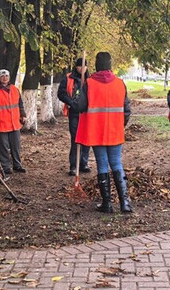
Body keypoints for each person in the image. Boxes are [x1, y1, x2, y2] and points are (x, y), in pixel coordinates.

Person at [75, 52, 133, 213]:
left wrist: (79, 93)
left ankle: (107, 203)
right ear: (110, 64)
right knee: (116, 163)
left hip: (96, 130)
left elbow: (80, 107)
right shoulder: (120, 83)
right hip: (115, 131)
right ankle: (125, 203)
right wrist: (120, 125)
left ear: (96, 64)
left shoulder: (89, 83)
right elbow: (127, 110)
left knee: (102, 164)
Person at [0, 69, 27, 174]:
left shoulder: (15, 89)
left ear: (9, 77)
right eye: (2, 76)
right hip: (1, 123)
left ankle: (17, 165)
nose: (5, 78)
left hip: (14, 123)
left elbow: (20, 104)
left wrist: (23, 115)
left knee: (16, 146)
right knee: (3, 147)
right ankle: (6, 167)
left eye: (7, 76)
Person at [57, 57, 91, 176]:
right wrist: (71, 102)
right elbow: (61, 93)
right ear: (76, 67)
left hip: (87, 113)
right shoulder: (68, 78)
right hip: (74, 112)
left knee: (87, 138)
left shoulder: (90, 79)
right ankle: (73, 165)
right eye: (80, 66)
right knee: (75, 139)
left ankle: (84, 163)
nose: (82, 68)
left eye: (84, 66)